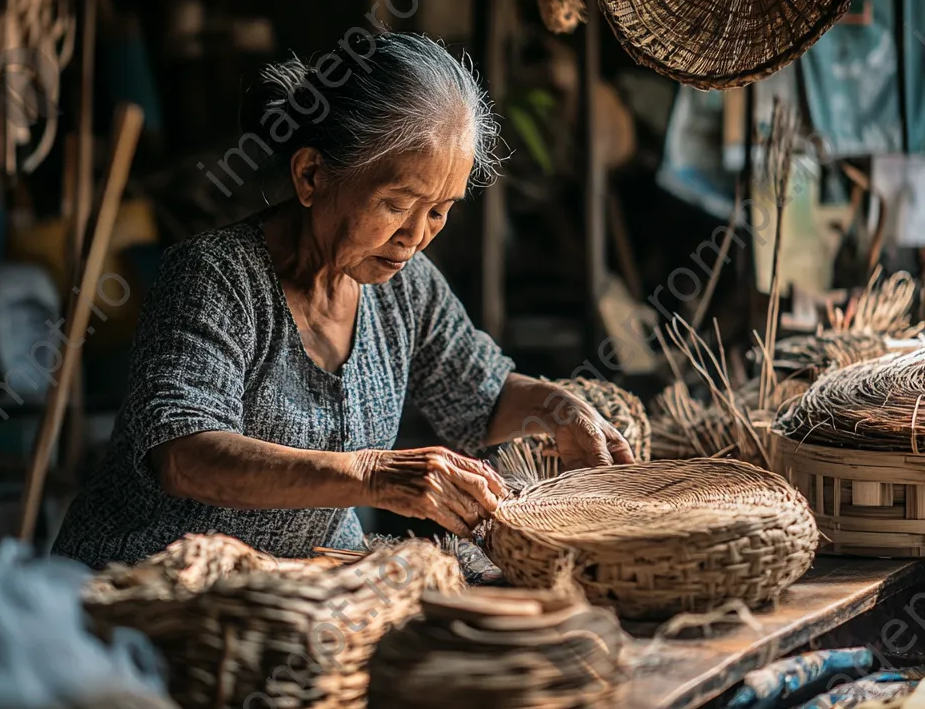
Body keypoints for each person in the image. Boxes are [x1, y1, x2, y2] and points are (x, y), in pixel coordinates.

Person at [53, 32, 634, 569]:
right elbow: (183, 455)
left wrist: (561, 411)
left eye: (439, 211)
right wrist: (372, 475)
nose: (415, 235)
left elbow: (482, 394)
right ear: (311, 176)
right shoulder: (215, 278)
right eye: (396, 203)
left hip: (301, 596)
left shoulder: (408, 286)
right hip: (154, 598)